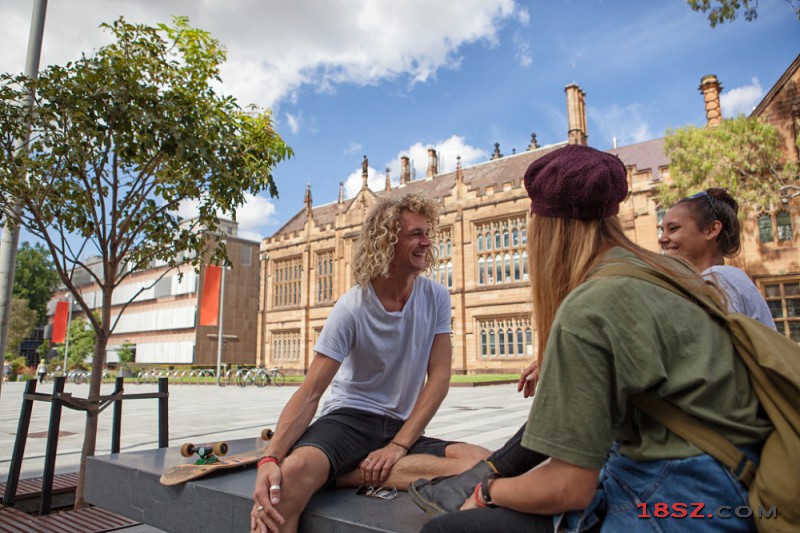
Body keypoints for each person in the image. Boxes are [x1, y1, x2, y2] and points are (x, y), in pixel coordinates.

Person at [412, 145, 771, 532]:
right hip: (741, 481)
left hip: (679, 504)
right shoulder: (670, 274)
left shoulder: (590, 305)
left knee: (445, 530)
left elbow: (569, 487)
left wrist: (489, 491)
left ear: (545, 226)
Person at [250, 192, 490, 533]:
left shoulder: (435, 297)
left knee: (482, 461)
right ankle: (336, 470)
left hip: (400, 426)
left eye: (427, 233)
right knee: (286, 483)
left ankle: (347, 474)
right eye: (416, 234)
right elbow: (311, 392)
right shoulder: (352, 307)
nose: (427, 242)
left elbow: (438, 379)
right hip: (348, 420)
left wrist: (398, 446)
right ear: (387, 241)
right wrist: (271, 458)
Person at [659, 187, 776, 328]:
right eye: (662, 230)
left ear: (712, 230)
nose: (662, 239)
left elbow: (711, 347)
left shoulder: (718, 281)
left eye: (673, 229)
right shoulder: (715, 280)